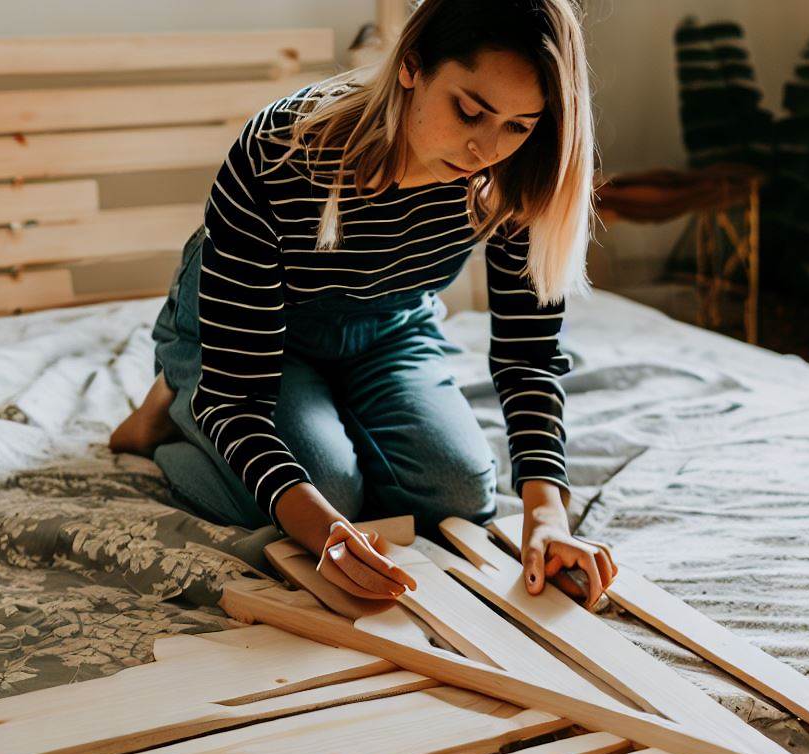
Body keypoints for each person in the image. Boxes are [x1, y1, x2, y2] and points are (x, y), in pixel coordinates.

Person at [110, 0, 618, 607]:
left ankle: (328, 410)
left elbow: (528, 353)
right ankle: (173, 401)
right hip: (256, 328)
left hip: (388, 322)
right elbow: (239, 397)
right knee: (324, 491)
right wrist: (323, 526)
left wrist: (547, 517)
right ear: (410, 65)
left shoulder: (516, 173)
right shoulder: (281, 151)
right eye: (470, 111)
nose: (486, 148)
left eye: (518, 125)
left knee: (459, 492)